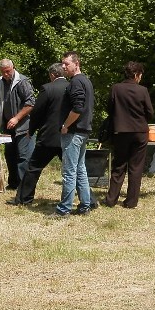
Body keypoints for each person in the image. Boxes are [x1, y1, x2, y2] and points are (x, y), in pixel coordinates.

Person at [8, 63, 69, 205]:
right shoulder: (72, 87)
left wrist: (32, 129)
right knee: (74, 169)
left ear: (52, 75)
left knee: (33, 168)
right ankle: (88, 199)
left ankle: (24, 198)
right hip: (66, 135)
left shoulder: (47, 88)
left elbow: (37, 112)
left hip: (48, 137)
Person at [104, 61, 154, 208]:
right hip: (139, 132)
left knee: (119, 165)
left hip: (120, 132)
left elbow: (110, 109)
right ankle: (131, 201)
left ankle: (111, 199)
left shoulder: (115, 88)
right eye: (140, 75)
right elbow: (150, 113)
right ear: (136, 75)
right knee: (136, 167)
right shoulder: (142, 91)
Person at [51, 51, 95, 217]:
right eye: (62, 63)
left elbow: (78, 108)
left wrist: (65, 125)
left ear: (77, 64)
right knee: (80, 169)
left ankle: (64, 209)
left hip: (74, 132)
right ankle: (85, 205)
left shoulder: (76, 82)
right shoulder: (86, 81)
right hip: (83, 131)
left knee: (69, 171)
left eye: (67, 64)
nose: (64, 66)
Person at [0, 59, 35, 190]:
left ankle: (24, 187)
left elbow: (31, 103)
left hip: (23, 127)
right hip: (7, 128)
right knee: (10, 156)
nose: (5, 74)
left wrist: (16, 118)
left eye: (8, 71)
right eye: (3, 72)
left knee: (23, 157)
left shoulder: (22, 81)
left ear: (13, 68)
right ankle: (13, 183)